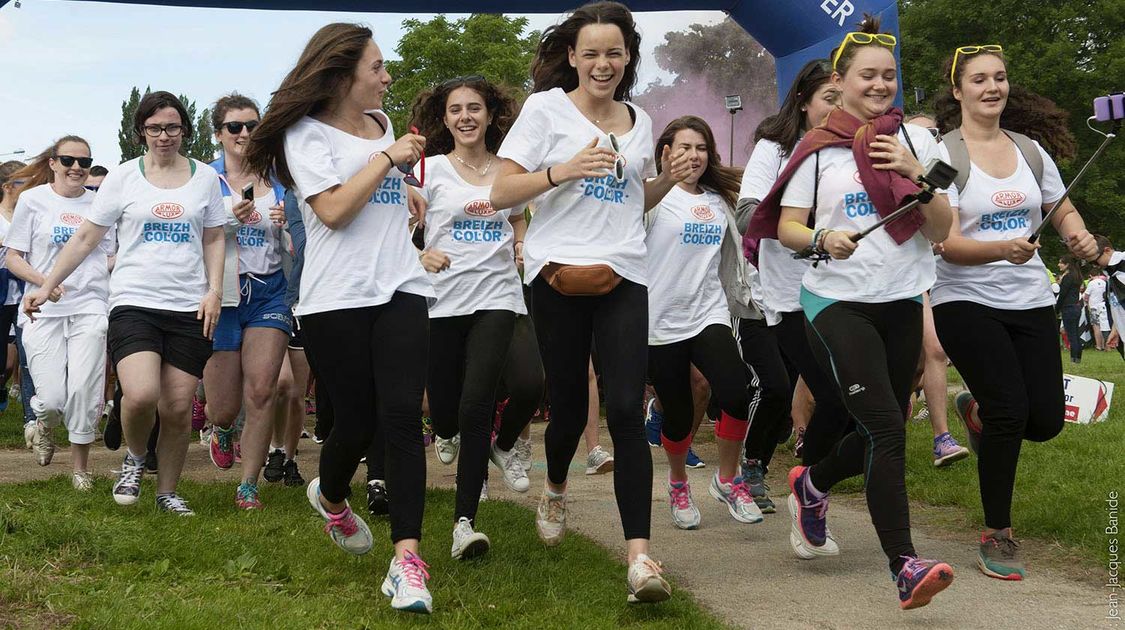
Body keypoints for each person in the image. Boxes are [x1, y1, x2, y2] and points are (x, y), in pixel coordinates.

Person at [748, 15, 956, 609]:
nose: (880, 84)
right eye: (868, 75)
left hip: (900, 298)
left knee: (873, 435)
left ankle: (810, 484)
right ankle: (905, 564)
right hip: (836, 300)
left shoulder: (919, 143)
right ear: (840, 82)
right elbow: (785, 228)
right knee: (888, 428)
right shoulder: (817, 149)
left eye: (889, 76)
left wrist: (915, 176)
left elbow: (942, 228)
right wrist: (821, 239)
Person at [490, 0, 690, 604]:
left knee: (627, 409)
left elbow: (634, 202)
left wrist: (669, 180)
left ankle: (640, 559)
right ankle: (555, 487)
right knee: (571, 407)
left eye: (614, 53)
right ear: (572, 57)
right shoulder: (545, 109)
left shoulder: (642, 119)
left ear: (628, 57)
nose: (603, 64)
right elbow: (502, 192)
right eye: (592, 53)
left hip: (625, 270)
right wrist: (562, 170)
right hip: (556, 273)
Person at [244, 22, 435, 614]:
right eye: (377, 67)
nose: (386, 77)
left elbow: (373, 193)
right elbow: (331, 212)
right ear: (342, 73)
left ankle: (407, 563)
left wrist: (406, 188)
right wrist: (388, 160)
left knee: (402, 416)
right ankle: (330, 498)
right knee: (352, 421)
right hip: (335, 298)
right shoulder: (305, 135)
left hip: (402, 284)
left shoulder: (380, 125)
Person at [931, 45, 1099, 580]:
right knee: (1010, 410)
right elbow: (946, 243)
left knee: (1044, 421)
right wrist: (1000, 249)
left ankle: (976, 413)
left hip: (1029, 297)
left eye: (999, 77)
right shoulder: (942, 156)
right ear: (958, 90)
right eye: (978, 79)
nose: (991, 87)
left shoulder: (1029, 150)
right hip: (964, 298)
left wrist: (1077, 233)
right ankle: (997, 534)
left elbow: (1059, 204)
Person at [26, 91, 226, 516]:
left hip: (189, 304)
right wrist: (47, 285)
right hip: (134, 299)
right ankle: (135, 457)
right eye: (154, 128)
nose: (164, 136)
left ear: (184, 130)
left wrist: (214, 291)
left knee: (175, 408)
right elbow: (86, 238)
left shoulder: (205, 178)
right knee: (140, 395)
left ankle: (167, 492)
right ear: (142, 132)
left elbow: (213, 237)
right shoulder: (122, 177)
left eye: (172, 127)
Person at [408, 75, 526, 559]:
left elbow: (517, 216)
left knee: (478, 404)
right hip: (442, 299)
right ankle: (447, 430)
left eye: (474, 107)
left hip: (497, 294)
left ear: (490, 114)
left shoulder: (510, 169)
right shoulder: (429, 168)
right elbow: (397, 229)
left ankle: (464, 523)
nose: (465, 117)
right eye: (455, 109)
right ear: (444, 118)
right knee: (448, 406)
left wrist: (521, 243)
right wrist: (420, 255)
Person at [737, 59, 847, 513]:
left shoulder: (856, 147)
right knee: (808, 392)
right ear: (803, 102)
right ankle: (775, 473)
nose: (836, 109)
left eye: (843, 100)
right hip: (789, 298)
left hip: (848, 292)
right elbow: (746, 216)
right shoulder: (775, 148)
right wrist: (802, 222)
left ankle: (811, 484)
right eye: (828, 99)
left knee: (847, 401)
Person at [645, 115, 760, 530]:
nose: (693, 156)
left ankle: (728, 479)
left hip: (708, 312)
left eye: (701, 148)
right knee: (677, 416)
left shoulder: (718, 199)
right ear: (666, 153)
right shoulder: (652, 199)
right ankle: (677, 483)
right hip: (659, 320)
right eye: (684, 148)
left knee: (736, 390)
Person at [202, 93, 292, 510]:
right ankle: (220, 427)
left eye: (252, 126)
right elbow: (196, 235)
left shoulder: (279, 178)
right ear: (219, 133)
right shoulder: (204, 179)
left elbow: (302, 236)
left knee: (262, 391)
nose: (244, 134)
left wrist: (286, 225)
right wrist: (226, 218)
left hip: (268, 291)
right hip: (224, 295)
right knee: (225, 407)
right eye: (234, 127)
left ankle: (248, 485)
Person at [6, 138, 112, 487]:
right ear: (53, 163)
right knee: (52, 398)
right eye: (68, 159)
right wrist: (45, 282)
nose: (77, 167)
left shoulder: (100, 204)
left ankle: (80, 470)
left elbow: (111, 254)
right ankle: (43, 422)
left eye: (85, 161)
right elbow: (13, 257)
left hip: (90, 305)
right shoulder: (33, 201)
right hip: (41, 310)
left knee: (84, 387)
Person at [900, 112, 969, 466]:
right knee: (903, 363)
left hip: (931, 275)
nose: (930, 138)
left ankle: (942, 436)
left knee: (936, 350)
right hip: (892, 274)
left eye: (934, 132)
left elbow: (950, 220)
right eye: (922, 132)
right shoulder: (891, 157)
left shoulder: (943, 170)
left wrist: (946, 237)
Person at [1056, 256, 1085, 362]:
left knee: (1071, 335)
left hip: (1068, 308)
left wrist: (1057, 309)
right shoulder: (1077, 276)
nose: (1059, 265)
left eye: (1061, 263)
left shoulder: (1068, 277)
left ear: (1067, 264)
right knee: (1076, 334)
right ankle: (1077, 357)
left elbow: (1062, 294)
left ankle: (1074, 358)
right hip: (1076, 307)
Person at [1084, 271, 1108, 351]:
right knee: (1104, 326)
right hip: (1104, 306)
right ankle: (1105, 345)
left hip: (1094, 307)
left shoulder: (1091, 283)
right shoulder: (1104, 282)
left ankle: (1098, 346)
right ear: (1098, 274)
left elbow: (1086, 295)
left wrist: (1087, 301)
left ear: (1090, 275)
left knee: (1096, 327)